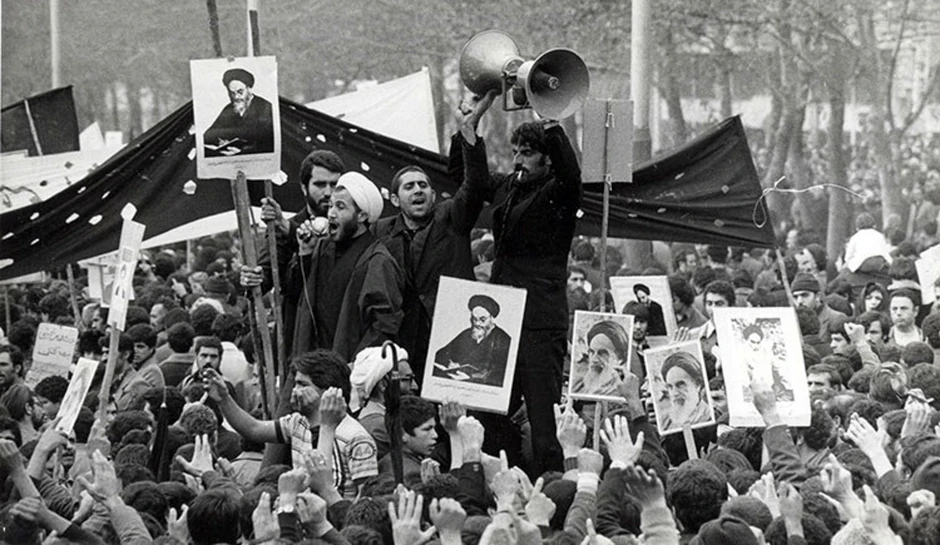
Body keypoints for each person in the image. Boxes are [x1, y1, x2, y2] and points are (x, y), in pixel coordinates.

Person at [457, 109, 582, 476]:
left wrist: (552, 123)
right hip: (503, 320)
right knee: (488, 409)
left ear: (546, 159)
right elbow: (477, 183)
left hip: (540, 324)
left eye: (526, 152)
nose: (517, 160)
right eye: (515, 152)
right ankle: (508, 476)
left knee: (544, 421)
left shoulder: (560, 193)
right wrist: (470, 132)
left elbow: (571, 174)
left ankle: (555, 487)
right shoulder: (511, 186)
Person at [374, 93, 493, 383]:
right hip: (403, 344)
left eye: (424, 185)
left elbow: (475, 185)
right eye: (409, 187)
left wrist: (469, 131)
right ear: (394, 198)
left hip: (451, 337)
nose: (418, 190)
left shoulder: (451, 217)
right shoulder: (380, 232)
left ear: (433, 194)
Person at [204, 349, 378, 499]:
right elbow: (253, 429)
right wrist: (224, 399)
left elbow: (365, 497)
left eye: (302, 384)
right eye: (295, 384)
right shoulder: (298, 423)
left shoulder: (357, 438)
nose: (295, 391)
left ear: (329, 391)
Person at [433, 294, 511, 387]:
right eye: (474, 319)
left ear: (492, 319)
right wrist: (450, 363)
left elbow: (499, 374)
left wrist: (469, 378)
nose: (477, 323)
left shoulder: (503, 340)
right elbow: (441, 353)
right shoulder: (467, 334)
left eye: (482, 319)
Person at [203, 67, 274, 157]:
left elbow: (269, 144)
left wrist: (242, 152)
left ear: (249, 89)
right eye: (232, 93)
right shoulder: (229, 108)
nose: (236, 97)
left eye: (240, 92)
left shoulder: (265, 107)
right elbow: (208, 135)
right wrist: (221, 142)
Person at [570, 320, 630, 398]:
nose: (594, 359)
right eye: (591, 352)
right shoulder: (578, 389)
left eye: (602, 353)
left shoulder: (624, 394)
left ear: (620, 359)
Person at [658, 351, 711, 430]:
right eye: (670, 387)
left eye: (680, 385)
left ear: (698, 384)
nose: (674, 393)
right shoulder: (665, 422)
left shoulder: (708, 417)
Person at [791, 272, 848, 343]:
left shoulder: (836, 318)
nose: (799, 301)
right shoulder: (792, 321)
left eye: (804, 295)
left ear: (817, 296)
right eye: (795, 297)